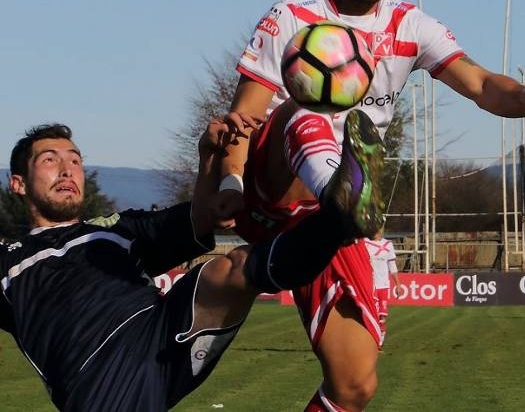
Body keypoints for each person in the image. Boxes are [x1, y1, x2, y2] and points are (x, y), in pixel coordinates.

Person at [219, 0, 525, 411]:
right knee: (310, 107)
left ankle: (345, 203)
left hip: (341, 215)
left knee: (354, 385)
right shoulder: (293, 16)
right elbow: (246, 116)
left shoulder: (411, 25)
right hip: (278, 182)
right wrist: (229, 184)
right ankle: (342, 194)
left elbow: (478, 84)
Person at [0, 120, 351, 410]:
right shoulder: (9, 263)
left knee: (228, 270)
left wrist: (209, 159)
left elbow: (204, 217)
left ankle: (341, 216)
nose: (67, 170)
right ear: (18, 183)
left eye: (75, 160)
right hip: (98, 379)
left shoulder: (114, 230)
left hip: (162, 336)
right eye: (49, 160)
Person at [365, 229, 400, 346]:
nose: (376, 232)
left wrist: (398, 285)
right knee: (372, 313)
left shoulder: (388, 245)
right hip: (370, 285)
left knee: (382, 315)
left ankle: (380, 339)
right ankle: (373, 336)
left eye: (378, 229)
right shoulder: (365, 243)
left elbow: (392, 267)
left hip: (384, 285)